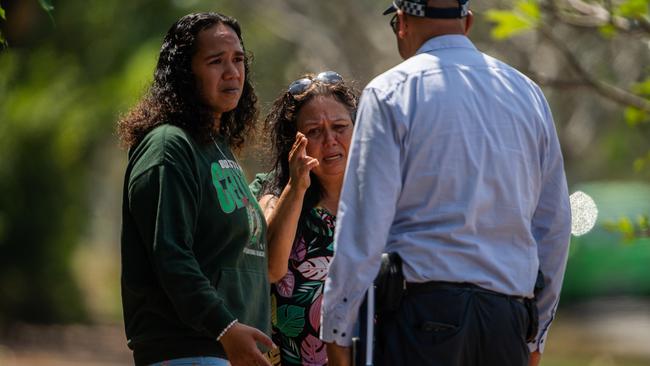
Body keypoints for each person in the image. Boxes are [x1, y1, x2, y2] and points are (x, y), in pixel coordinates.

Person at [321, 1, 572, 366]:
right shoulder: (527, 93)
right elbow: (554, 226)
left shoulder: (390, 91)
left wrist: (338, 331)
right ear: (467, 22)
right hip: (507, 322)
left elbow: (363, 224)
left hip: (424, 320)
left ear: (403, 23)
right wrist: (537, 334)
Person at [117, 12, 274, 366]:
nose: (232, 72)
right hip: (188, 351)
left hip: (227, 351)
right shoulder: (168, 146)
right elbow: (171, 255)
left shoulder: (215, 146)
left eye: (238, 59)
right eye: (216, 61)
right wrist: (225, 327)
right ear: (186, 74)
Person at [249, 71, 358, 366]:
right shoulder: (271, 195)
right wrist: (296, 187)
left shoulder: (379, 199)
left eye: (339, 127)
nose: (330, 140)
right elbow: (270, 269)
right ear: (292, 141)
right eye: (314, 132)